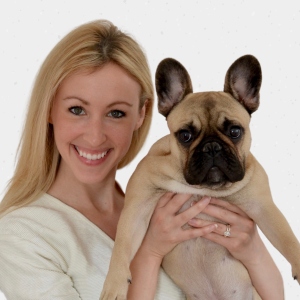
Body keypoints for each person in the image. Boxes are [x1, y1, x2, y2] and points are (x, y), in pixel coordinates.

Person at [0, 20, 283, 300]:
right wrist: (149, 253)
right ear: (48, 109)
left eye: (116, 113)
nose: (95, 136)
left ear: (142, 115)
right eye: (77, 109)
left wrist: (253, 251)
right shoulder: (21, 236)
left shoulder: (165, 197)